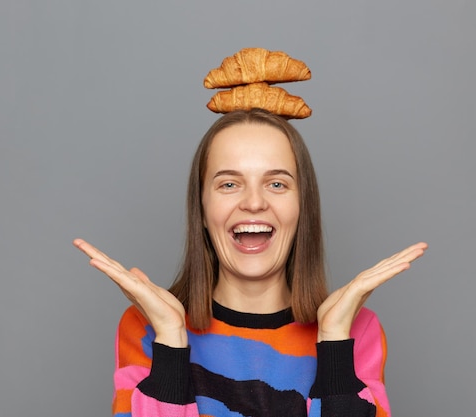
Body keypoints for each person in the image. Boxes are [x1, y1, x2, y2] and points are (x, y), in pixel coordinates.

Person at [74, 108, 427, 417]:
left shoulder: (355, 330)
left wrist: (334, 342)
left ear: (302, 207)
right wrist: (171, 340)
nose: (254, 202)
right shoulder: (147, 327)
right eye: (229, 184)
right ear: (201, 209)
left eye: (276, 183)